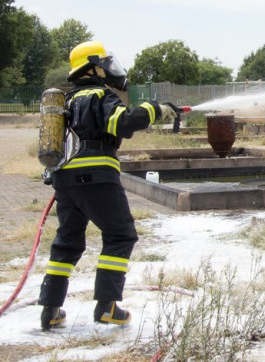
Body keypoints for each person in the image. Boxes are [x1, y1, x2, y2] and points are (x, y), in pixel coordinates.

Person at [38, 40, 177, 330]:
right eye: (104, 64)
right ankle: (107, 305)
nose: (109, 69)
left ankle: (50, 309)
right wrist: (156, 110)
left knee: (67, 241)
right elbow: (122, 123)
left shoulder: (68, 100)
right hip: (97, 175)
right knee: (121, 235)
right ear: (93, 68)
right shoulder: (99, 95)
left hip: (65, 180)